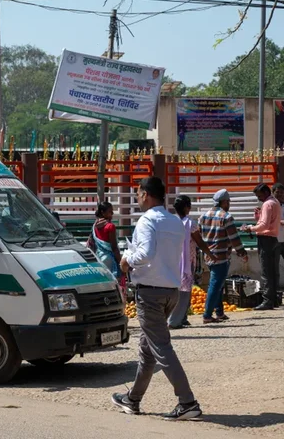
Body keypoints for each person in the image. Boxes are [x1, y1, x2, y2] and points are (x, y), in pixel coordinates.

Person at [111, 177, 201, 421]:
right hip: (170, 290)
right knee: (148, 348)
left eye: (138, 193)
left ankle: (187, 402)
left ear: (146, 194)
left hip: (150, 292)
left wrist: (127, 259)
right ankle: (133, 399)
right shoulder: (174, 221)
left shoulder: (147, 220)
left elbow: (146, 253)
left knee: (160, 347)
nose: (138, 198)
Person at [198, 190, 248, 324]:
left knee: (218, 284)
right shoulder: (226, 217)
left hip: (208, 256)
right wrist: (242, 252)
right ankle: (207, 315)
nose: (229, 204)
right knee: (215, 285)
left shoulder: (203, 216)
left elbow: (199, 235)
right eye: (228, 202)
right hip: (220, 256)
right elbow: (234, 238)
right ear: (224, 202)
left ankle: (219, 312)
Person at [169, 196, 213, 329]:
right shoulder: (190, 224)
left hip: (173, 260)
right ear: (186, 208)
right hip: (187, 261)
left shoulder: (172, 222)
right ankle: (175, 320)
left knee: (178, 289)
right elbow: (200, 242)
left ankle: (182, 318)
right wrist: (211, 254)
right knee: (184, 291)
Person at [241, 184, 282, 310]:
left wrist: (250, 228)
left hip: (266, 239)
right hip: (273, 238)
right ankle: (274, 299)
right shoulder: (275, 202)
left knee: (266, 271)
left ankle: (268, 300)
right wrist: (258, 218)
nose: (258, 198)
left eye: (259, 196)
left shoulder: (267, 204)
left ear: (265, 192)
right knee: (273, 271)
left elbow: (264, 226)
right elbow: (268, 222)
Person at [86, 201, 122, 287]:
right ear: (103, 212)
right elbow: (114, 248)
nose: (112, 213)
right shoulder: (110, 226)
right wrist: (120, 263)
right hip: (109, 259)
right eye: (110, 211)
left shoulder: (95, 225)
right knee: (112, 285)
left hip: (99, 257)